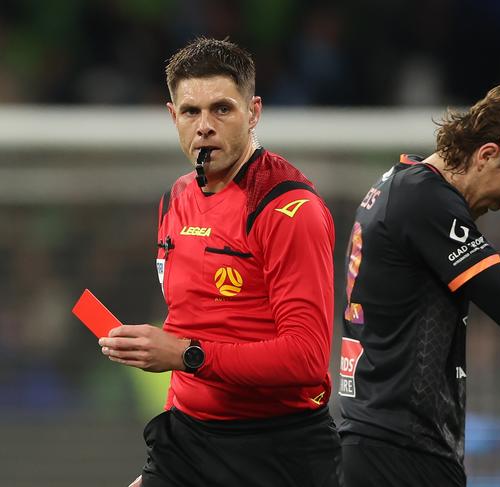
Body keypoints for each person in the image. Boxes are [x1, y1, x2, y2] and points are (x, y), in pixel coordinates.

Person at [98, 37, 341, 487]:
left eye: (222, 109)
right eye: (191, 112)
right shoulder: (176, 200)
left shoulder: (289, 210)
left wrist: (184, 354)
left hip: (276, 452)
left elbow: (307, 359)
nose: (204, 126)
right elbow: (192, 319)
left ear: (254, 113)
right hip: (187, 441)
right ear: (173, 117)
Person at [337, 83, 500, 487]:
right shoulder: (425, 199)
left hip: (381, 441)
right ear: (487, 155)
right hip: (399, 451)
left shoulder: (403, 186)